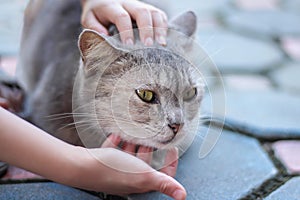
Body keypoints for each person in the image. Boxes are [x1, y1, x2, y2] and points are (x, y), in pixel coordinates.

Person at [0, 0, 187, 199]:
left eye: (188, 94)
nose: (179, 121)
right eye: (147, 96)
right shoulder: (54, 113)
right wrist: (78, 167)